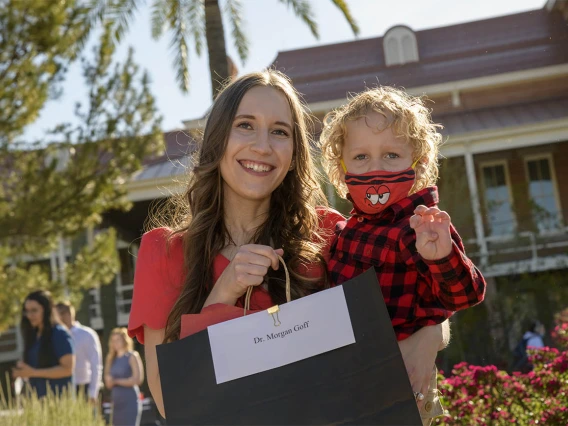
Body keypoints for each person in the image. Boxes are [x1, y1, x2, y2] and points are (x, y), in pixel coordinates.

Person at [127, 70, 449, 419]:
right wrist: (224, 292)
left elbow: (421, 294)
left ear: (294, 151)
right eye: (245, 125)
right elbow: (168, 400)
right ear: (218, 138)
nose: (262, 146)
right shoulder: (163, 250)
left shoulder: (330, 231)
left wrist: (428, 340)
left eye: (279, 132)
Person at [320, 86, 487, 424]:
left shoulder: (422, 227)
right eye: (361, 157)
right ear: (342, 168)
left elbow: (464, 294)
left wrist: (441, 257)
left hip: (406, 386)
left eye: (391, 156)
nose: (374, 169)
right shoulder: (345, 232)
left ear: (419, 162)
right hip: (350, 385)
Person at [12, 290, 75, 398]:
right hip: (38, 401)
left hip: (59, 401)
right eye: (27, 311)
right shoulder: (34, 335)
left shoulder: (59, 333)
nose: (29, 315)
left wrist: (33, 372)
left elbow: (68, 369)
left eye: (34, 310)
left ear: (46, 310)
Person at [56, 301, 103, 404]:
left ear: (67, 315)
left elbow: (96, 364)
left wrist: (93, 393)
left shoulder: (87, 334)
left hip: (83, 387)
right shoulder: (55, 337)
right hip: (63, 389)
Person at [105, 327, 144, 426]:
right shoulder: (110, 359)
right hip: (116, 401)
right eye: (113, 340)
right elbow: (108, 383)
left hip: (130, 400)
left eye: (118, 339)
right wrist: (110, 381)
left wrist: (116, 381)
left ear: (125, 340)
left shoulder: (132, 356)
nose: (115, 343)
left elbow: (138, 379)